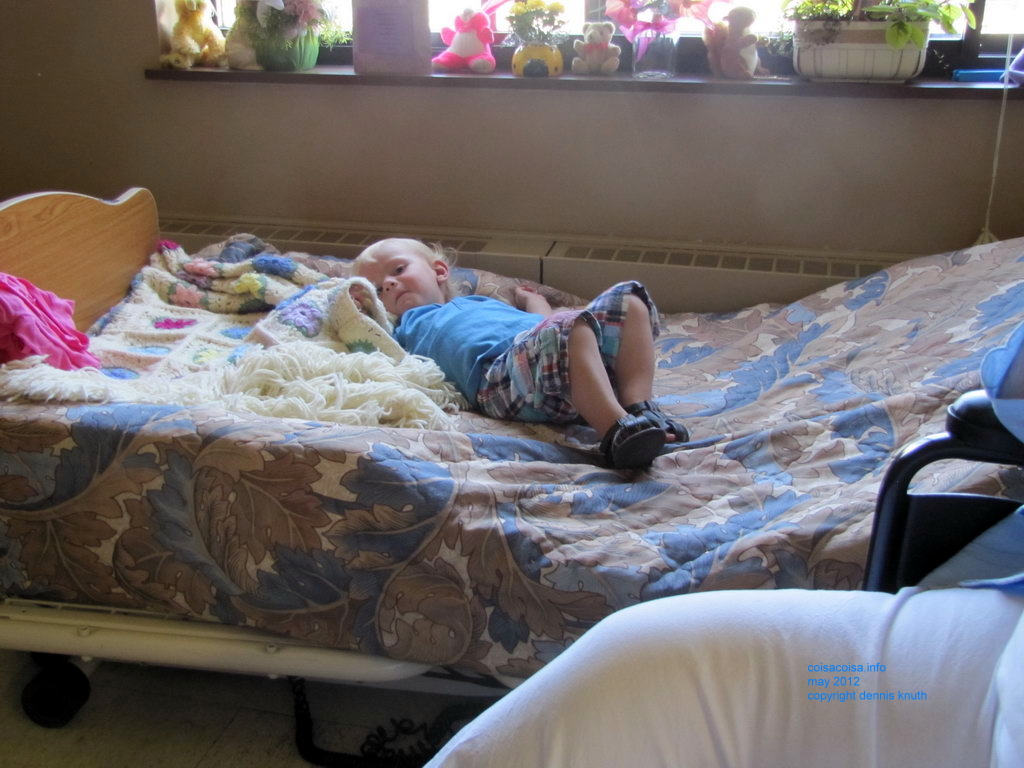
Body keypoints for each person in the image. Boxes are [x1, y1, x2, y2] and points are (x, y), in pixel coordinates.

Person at [352, 238, 687, 468]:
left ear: (439, 271)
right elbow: (358, 332)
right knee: (566, 329)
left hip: (566, 362)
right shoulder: (404, 327)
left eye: (397, 271)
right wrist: (353, 305)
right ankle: (615, 431)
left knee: (628, 300)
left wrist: (531, 301)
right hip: (501, 380)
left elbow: (545, 322)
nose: (390, 285)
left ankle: (640, 409)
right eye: (378, 289)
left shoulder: (481, 304)